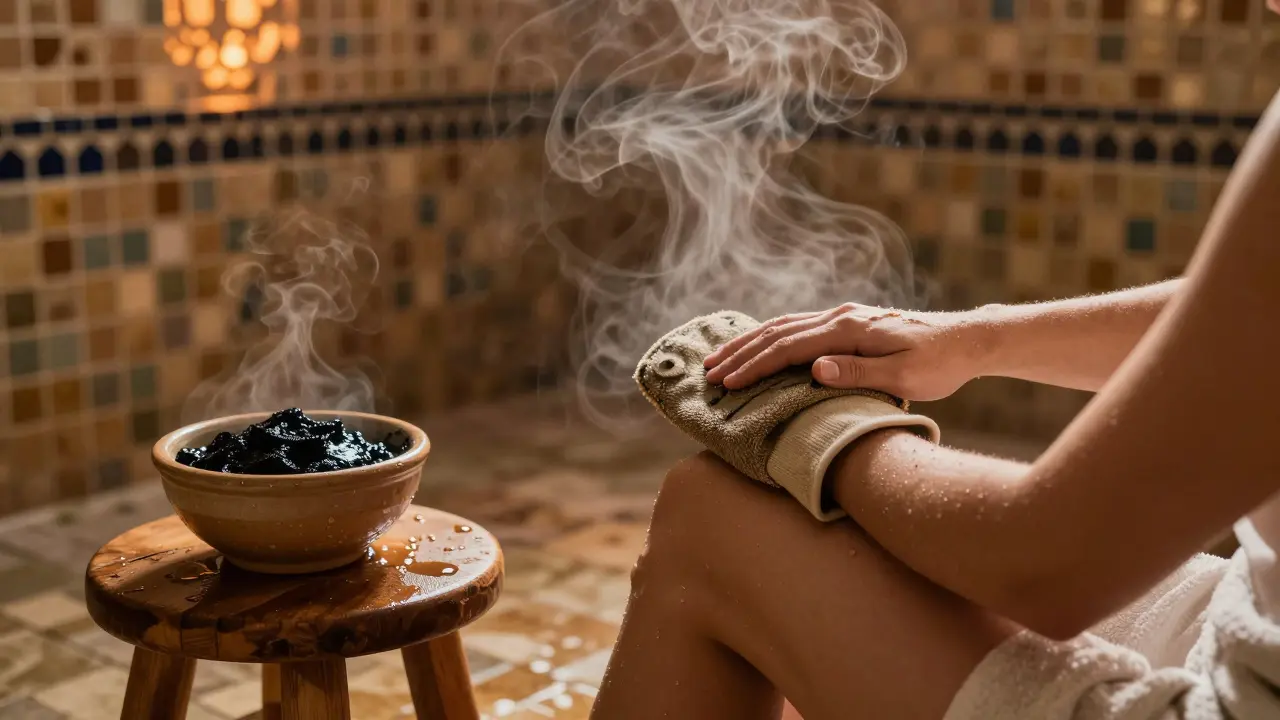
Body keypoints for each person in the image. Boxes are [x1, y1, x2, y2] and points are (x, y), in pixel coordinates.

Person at [584, 61, 1280, 720]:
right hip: (1248, 628)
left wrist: (814, 432)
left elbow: (1045, 566)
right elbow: (1249, 320)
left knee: (715, 519)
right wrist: (973, 340)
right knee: (864, 555)